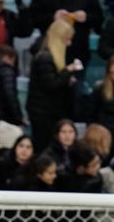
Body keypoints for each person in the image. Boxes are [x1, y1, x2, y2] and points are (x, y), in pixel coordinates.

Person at [27, 19, 81, 151]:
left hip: (49, 111)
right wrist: (68, 71)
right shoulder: (45, 57)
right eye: (67, 39)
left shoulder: (50, 57)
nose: (69, 43)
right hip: (43, 113)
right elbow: (51, 84)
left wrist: (67, 79)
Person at [30, 0, 104, 68]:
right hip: (49, 54)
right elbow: (32, 18)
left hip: (79, 52)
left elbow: (99, 19)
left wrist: (86, 17)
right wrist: (53, 17)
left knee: (77, 81)